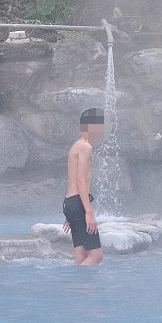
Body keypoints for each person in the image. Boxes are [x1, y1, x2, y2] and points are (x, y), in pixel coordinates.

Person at [63, 107, 105, 265]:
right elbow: (80, 180)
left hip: (71, 202)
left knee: (81, 256)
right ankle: (77, 288)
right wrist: (89, 212)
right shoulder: (85, 147)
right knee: (96, 255)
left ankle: (78, 289)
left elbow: (72, 180)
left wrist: (71, 212)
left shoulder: (77, 145)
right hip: (78, 204)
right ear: (93, 126)